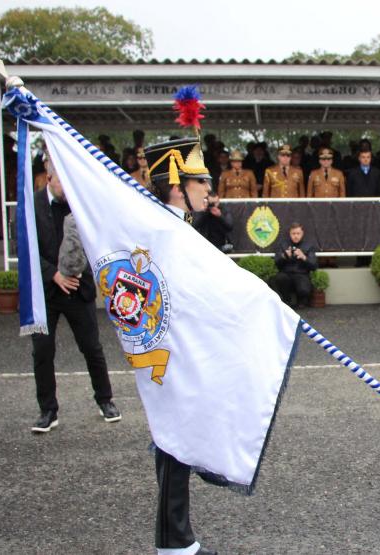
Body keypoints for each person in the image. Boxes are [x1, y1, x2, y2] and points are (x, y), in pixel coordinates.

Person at [143, 136, 218, 555]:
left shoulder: (177, 225)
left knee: (177, 441)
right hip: (170, 352)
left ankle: (177, 536)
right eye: (201, 181)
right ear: (177, 186)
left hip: (181, 349)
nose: (209, 189)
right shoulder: (163, 230)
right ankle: (174, 542)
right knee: (173, 442)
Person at [31, 156, 120, 434]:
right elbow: (26, 249)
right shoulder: (30, 206)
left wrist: (81, 268)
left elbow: (98, 239)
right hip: (46, 290)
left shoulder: (81, 203)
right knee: (43, 351)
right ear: (49, 179)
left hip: (78, 288)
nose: (68, 190)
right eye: (62, 183)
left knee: (92, 347)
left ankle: (105, 400)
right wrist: (55, 274)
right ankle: (48, 410)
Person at [273, 222, 318, 307]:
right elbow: (276, 262)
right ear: (290, 234)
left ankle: (301, 301)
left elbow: (314, 265)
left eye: (298, 233)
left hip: (301, 274)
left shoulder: (309, 246)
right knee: (279, 278)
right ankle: (287, 300)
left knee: (304, 288)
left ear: (302, 234)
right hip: (286, 274)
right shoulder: (282, 244)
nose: (296, 236)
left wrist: (304, 257)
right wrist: (284, 256)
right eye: (293, 233)